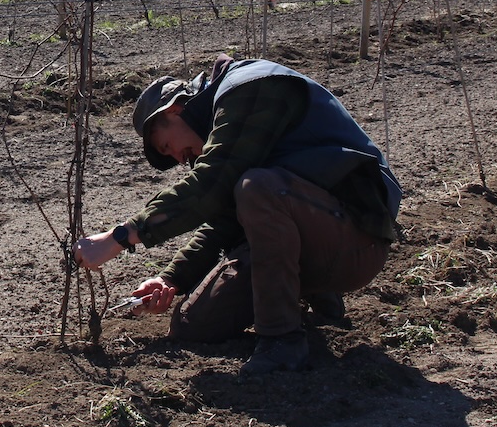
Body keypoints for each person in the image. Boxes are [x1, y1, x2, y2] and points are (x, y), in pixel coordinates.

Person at [73, 55, 402, 376]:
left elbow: (211, 187)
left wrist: (119, 237)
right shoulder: (230, 139)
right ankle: (308, 296)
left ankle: (282, 342)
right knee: (193, 325)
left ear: (174, 109)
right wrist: (169, 280)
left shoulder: (251, 86)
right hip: (314, 233)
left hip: (358, 239)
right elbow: (223, 222)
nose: (178, 158)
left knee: (257, 188)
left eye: (166, 146)